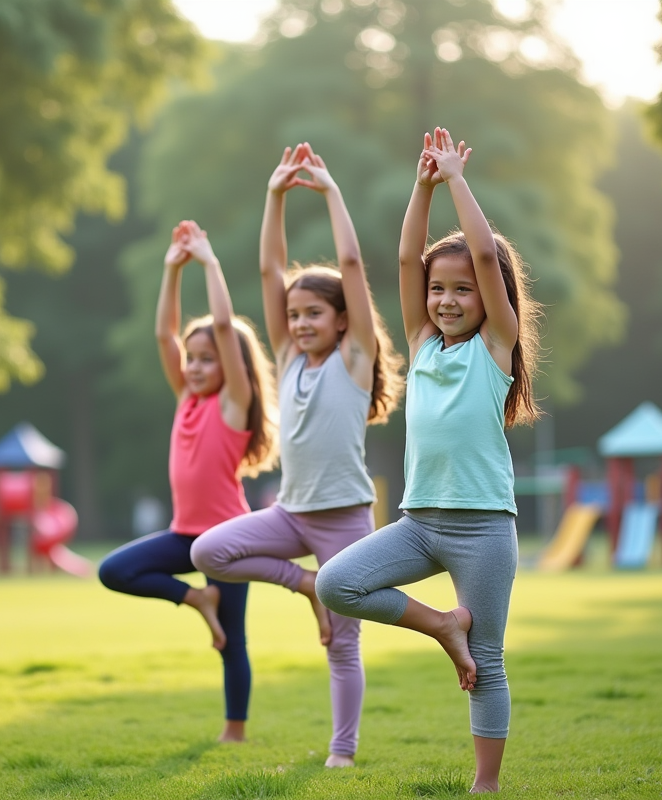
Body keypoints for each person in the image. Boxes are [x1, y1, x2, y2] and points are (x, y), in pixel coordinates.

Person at [315, 128, 543, 793]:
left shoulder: (495, 348)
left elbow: (479, 248)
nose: (445, 299)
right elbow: (407, 258)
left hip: (483, 529)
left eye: (463, 291)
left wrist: (456, 182)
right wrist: (421, 186)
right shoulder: (420, 343)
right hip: (419, 523)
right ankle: (444, 626)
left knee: (490, 661)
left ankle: (485, 785)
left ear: (489, 298)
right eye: (438, 290)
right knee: (336, 585)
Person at [191, 143, 404, 768]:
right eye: (294, 314)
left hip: (343, 520)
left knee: (343, 645)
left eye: (315, 313)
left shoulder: (354, 360)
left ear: (343, 322)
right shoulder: (287, 359)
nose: (301, 322)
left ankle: (342, 752)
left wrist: (330, 191)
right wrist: (274, 196)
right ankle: (309, 585)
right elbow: (268, 271)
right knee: (209, 552)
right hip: (290, 513)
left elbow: (351, 263)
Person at [98, 220, 278, 744]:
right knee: (115, 570)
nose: (195, 367)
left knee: (233, 642)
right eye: (191, 360)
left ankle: (235, 730)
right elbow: (163, 334)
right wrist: (171, 270)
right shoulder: (187, 398)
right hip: (185, 535)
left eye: (207, 360)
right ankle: (195, 600)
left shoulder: (232, 405)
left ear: (233, 368)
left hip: (227, 539)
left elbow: (225, 326)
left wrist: (209, 262)